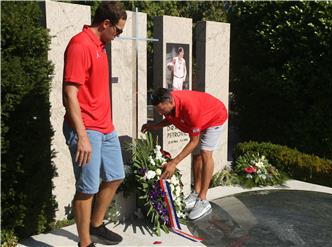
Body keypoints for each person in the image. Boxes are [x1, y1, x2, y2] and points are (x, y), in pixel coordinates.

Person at [62, 2, 126, 247]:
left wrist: (108, 124)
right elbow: (70, 93)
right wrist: (82, 137)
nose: (117, 36)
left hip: (105, 126)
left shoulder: (101, 46)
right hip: (86, 129)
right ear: (106, 24)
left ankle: (96, 224)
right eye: (117, 31)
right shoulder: (80, 45)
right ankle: (85, 243)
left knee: (116, 176)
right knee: (87, 187)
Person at [141, 88, 228, 220]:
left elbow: (193, 142)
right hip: (202, 116)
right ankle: (196, 192)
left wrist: (173, 162)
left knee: (205, 152)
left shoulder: (190, 109)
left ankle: (203, 200)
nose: (160, 113)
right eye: (158, 110)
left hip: (215, 116)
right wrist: (155, 126)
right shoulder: (170, 105)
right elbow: (171, 118)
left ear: (169, 101)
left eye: (161, 110)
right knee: (196, 154)